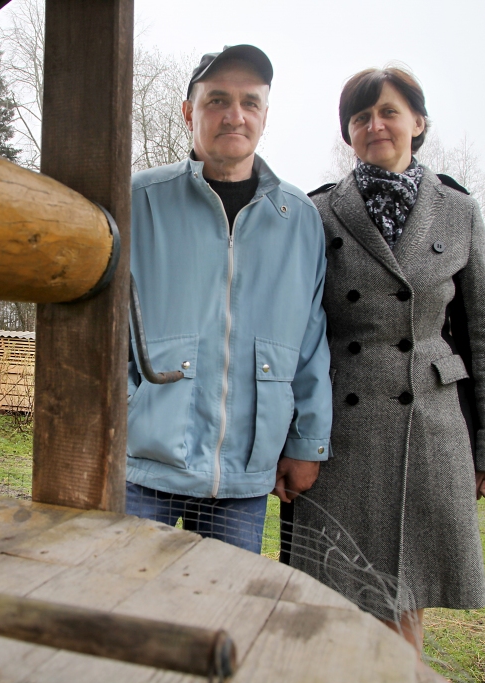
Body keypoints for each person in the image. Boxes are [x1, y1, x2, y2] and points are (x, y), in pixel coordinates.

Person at [280, 66, 485, 654]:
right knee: (332, 603)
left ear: (418, 122)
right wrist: (292, 441)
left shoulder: (458, 212)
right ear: (348, 134)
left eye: (388, 111)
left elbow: (483, 334)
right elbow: (296, 335)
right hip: (340, 435)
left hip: (431, 429)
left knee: (405, 600)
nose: (375, 124)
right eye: (360, 117)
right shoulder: (319, 211)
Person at [125, 45, 331, 554]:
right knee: (119, 608)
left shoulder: (300, 219)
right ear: (188, 111)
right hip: (139, 463)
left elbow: (310, 340)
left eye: (250, 102)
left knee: (219, 617)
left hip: (244, 473)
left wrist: (306, 444)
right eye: (217, 100)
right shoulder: (136, 200)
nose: (234, 115)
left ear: (265, 115)